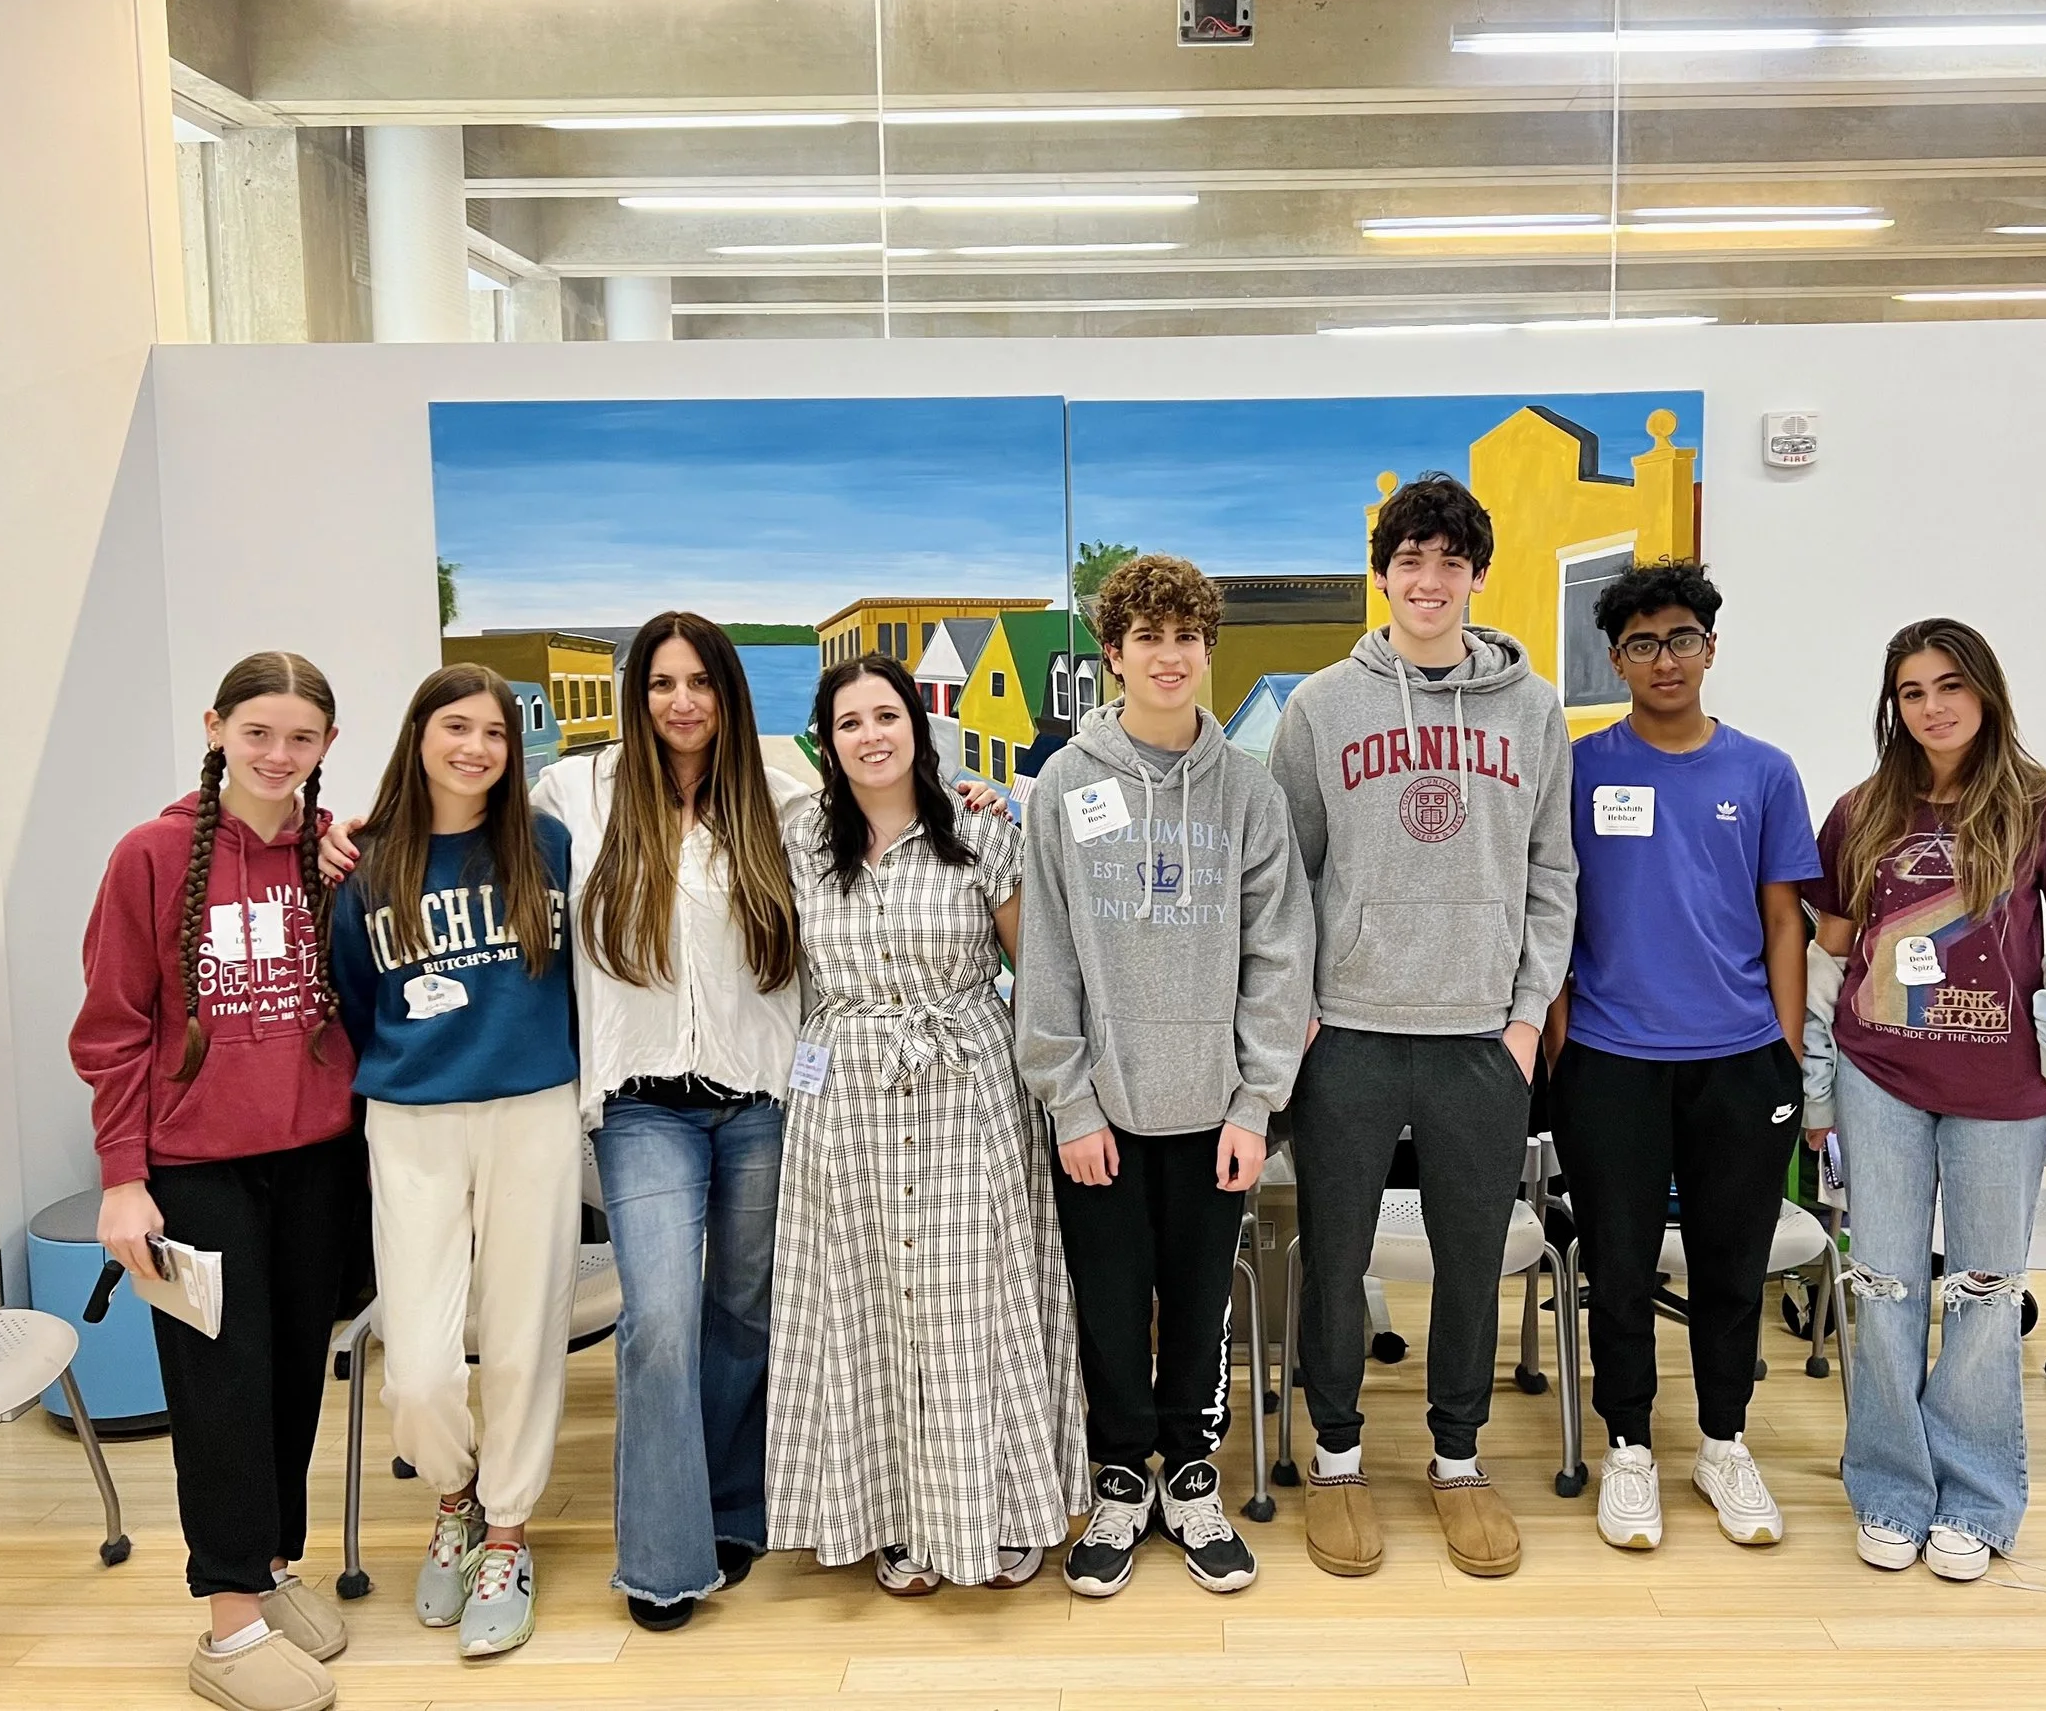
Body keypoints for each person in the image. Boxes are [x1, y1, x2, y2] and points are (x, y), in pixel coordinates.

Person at [321, 613, 1004, 1627]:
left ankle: (735, 1508)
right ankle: (662, 1557)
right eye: (660, 683)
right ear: (638, 696)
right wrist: (348, 833)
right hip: (641, 1105)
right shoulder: (577, 794)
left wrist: (980, 794)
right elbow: (467, 802)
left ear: (727, 693)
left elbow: (888, 799)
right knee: (658, 1324)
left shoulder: (785, 795)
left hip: (769, 1097)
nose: (680, 701)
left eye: (700, 682)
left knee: (740, 1314)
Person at [1267, 472, 1577, 1581]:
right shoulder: (1318, 708)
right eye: (1410, 561)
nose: (1430, 580)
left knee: (1468, 1260)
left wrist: (1527, 1020)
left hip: (1478, 1039)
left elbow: (1552, 873)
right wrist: (1297, 1013)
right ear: (1384, 575)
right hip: (1346, 1033)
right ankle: (1338, 1457)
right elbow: (1285, 877)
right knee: (1337, 1256)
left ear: (1476, 577)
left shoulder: (1533, 710)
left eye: (1450, 562)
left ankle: (1456, 1460)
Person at [1016, 555, 1314, 1597]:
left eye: (1186, 636)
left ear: (1206, 648)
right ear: (1114, 654)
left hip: (1214, 1114)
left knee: (1197, 1308)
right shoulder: (1065, 784)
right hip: (1098, 1113)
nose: (1169, 655)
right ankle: (1116, 1483)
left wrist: (1253, 1103)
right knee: (1105, 1308)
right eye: (1147, 637)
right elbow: (1044, 954)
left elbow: (1280, 952)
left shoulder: (1248, 791)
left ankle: (1189, 1481)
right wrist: (1069, 1098)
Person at [72, 651, 356, 1711]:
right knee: (220, 1388)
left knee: (291, 1371)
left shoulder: (333, 859)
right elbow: (111, 1030)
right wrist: (120, 1180)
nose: (279, 756)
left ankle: (272, 1564)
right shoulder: (147, 856)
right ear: (215, 729)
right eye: (258, 734)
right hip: (195, 1171)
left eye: (301, 738)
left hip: (318, 1157)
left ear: (329, 744)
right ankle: (226, 1624)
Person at [768, 653, 1086, 1594]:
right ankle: (897, 1512)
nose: (871, 735)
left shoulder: (982, 832)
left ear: (918, 722)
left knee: (974, 1305)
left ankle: (1000, 1507)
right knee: (870, 1308)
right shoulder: (799, 843)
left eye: (886, 714)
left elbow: (1040, 976)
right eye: (849, 721)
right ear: (827, 742)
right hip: (848, 1105)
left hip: (969, 1089)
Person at [1802, 617, 2046, 1583]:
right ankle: (1890, 1486)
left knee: (1984, 1291)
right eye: (1911, 692)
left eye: (1948, 687)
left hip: (2001, 1087)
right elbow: (1833, 951)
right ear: (1892, 706)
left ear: (1986, 691)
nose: (1931, 708)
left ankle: (1976, 1497)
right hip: (1877, 1076)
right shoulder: (1860, 810)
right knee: (1883, 1287)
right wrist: (1816, 1079)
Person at [1545, 560, 1816, 1554]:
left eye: (1682, 639)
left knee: (1731, 1266)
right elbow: (1554, 911)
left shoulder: (1762, 772)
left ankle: (1721, 1440)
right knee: (1616, 1266)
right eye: (1643, 643)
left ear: (1711, 647)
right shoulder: (1579, 768)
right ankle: (1627, 1446)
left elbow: (1784, 919)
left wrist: (1785, 1050)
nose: (1665, 659)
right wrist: (1567, 1034)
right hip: (1610, 1060)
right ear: (1615, 659)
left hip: (1740, 1059)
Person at [327, 664, 579, 1659]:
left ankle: (509, 1535)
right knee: (421, 1372)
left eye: (496, 733)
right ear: (419, 736)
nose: (476, 747)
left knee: (521, 1339)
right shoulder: (367, 865)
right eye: (456, 727)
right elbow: (355, 999)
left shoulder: (547, 848)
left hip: (533, 1112)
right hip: (412, 1120)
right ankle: (456, 1498)